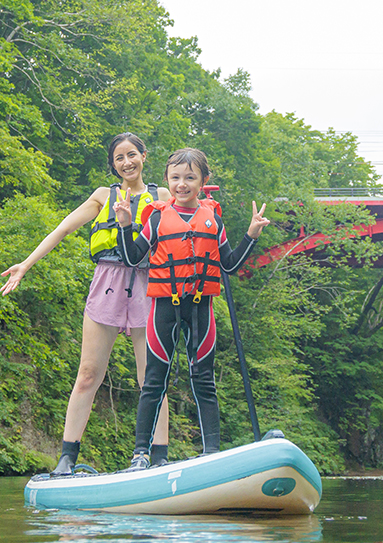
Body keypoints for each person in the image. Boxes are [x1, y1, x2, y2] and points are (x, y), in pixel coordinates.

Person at [0, 133, 172, 474]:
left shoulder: (163, 196)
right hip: (107, 283)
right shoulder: (102, 196)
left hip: (148, 285)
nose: (127, 162)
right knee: (88, 373)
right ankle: (66, 458)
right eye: (119, 158)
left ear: (144, 156)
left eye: (132, 155)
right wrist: (25, 264)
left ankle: (159, 457)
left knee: (150, 378)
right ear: (113, 164)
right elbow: (62, 229)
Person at [114, 147, 270, 470]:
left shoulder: (213, 220)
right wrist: (125, 225)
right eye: (175, 178)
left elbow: (228, 265)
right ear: (166, 180)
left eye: (190, 177)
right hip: (163, 310)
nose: (181, 184)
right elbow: (131, 258)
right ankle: (140, 454)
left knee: (204, 381)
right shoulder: (156, 218)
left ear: (204, 181)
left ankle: (210, 452)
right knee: (154, 381)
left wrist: (251, 235)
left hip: (201, 311)